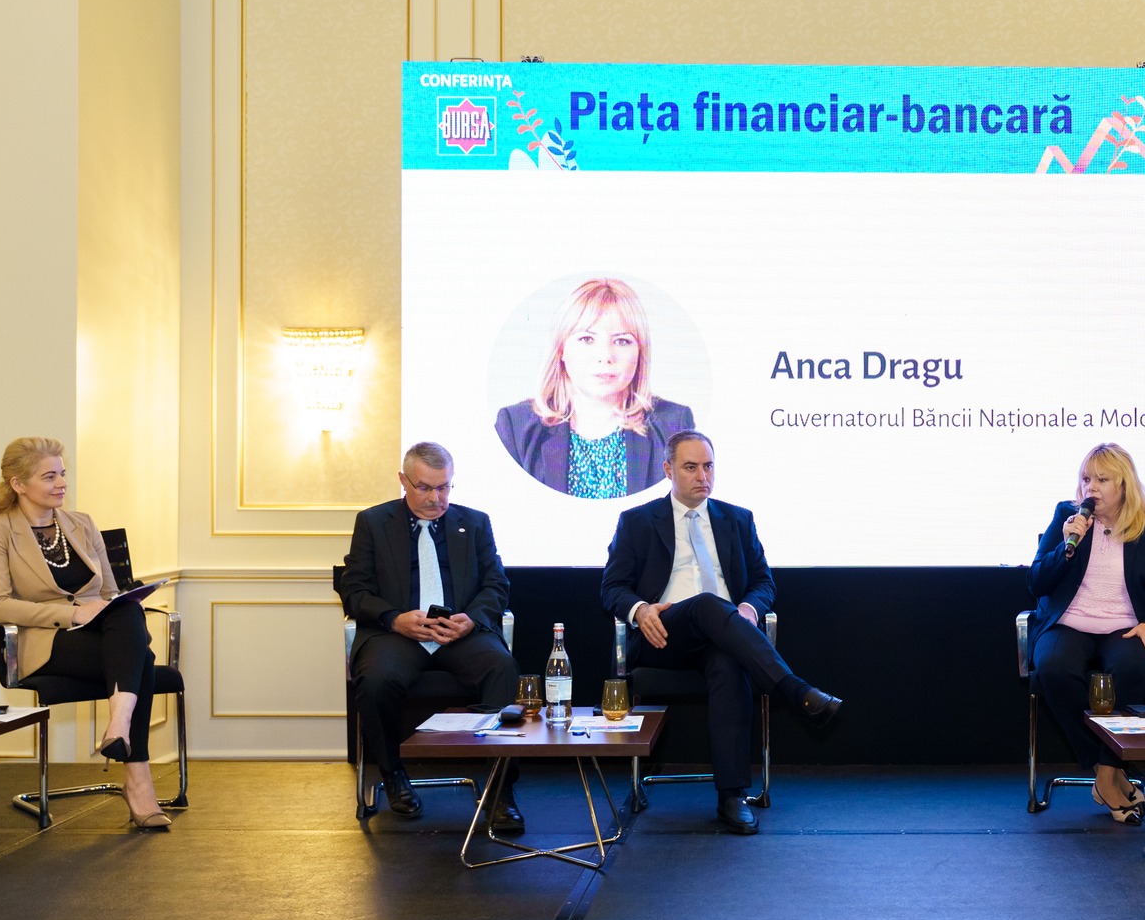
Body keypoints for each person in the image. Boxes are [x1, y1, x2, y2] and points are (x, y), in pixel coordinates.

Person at [598, 430, 841, 835]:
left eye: (709, 466)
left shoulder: (738, 520)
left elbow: (763, 582)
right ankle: (795, 691)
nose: (702, 476)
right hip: (665, 635)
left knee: (728, 662)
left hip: (725, 636)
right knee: (708, 604)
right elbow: (612, 588)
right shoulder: (637, 521)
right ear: (668, 470)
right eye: (691, 467)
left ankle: (732, 796)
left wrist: (748, 608)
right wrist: (640, 610)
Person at [0, 437, 171, 830]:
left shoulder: (82, 523)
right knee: (143, 661)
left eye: (62, 474)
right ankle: (137, 778)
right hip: (45, 643)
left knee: (127, 609)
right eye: (49, 476)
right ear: (18, 484)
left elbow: (110, 592)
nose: (62, 483)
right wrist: (73, 613)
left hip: (103, 634)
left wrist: (109, 606)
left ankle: (118, 726)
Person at [340, 442, 524, 833]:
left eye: (444, 488)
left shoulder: (475, 523)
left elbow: (496, 584)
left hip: (459, 633)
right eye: (424, 488)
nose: (435, 498)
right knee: (375, 680)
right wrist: (394, 619)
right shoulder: (373, 522)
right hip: (397, 634)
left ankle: (500, 790)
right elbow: (355, 591)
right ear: (403, 481)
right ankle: (393, 776)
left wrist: (471, 620)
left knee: (501, 667)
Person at [1027, 443, 1145, 823]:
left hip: (1125, 625)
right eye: (1086, 479)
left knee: (1130, 667)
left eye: (1102, 479)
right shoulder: (1067, 517)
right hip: (1069, 622)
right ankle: (1106, 772)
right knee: (1053, 668)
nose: (1090, 487)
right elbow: (1037, 582)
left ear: (1124, 485)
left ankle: (1110, 773)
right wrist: (1066, 545)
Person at [496, 277, 696, 499]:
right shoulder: (515, 427)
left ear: (640, 352)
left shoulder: (675, 426)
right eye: (586, 339)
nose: (605, 356)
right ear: (561, 350)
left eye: (622, 341)